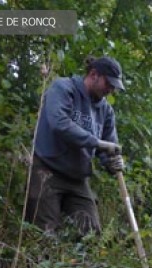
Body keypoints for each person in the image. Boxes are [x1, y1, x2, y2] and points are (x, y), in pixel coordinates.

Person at [25, 55, 126, 237]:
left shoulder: (106, 111)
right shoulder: (63, 88)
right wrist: (96, 142)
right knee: (44, 235)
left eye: (114, 86)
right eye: (108, 83)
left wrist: (112, 163)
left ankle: (82, 265)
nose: (110, 90)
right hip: (47, 170)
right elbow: (60, 124)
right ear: (94, 74)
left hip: (78, 179)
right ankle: (40, 264)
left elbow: (108, 148)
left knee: (91, 236)